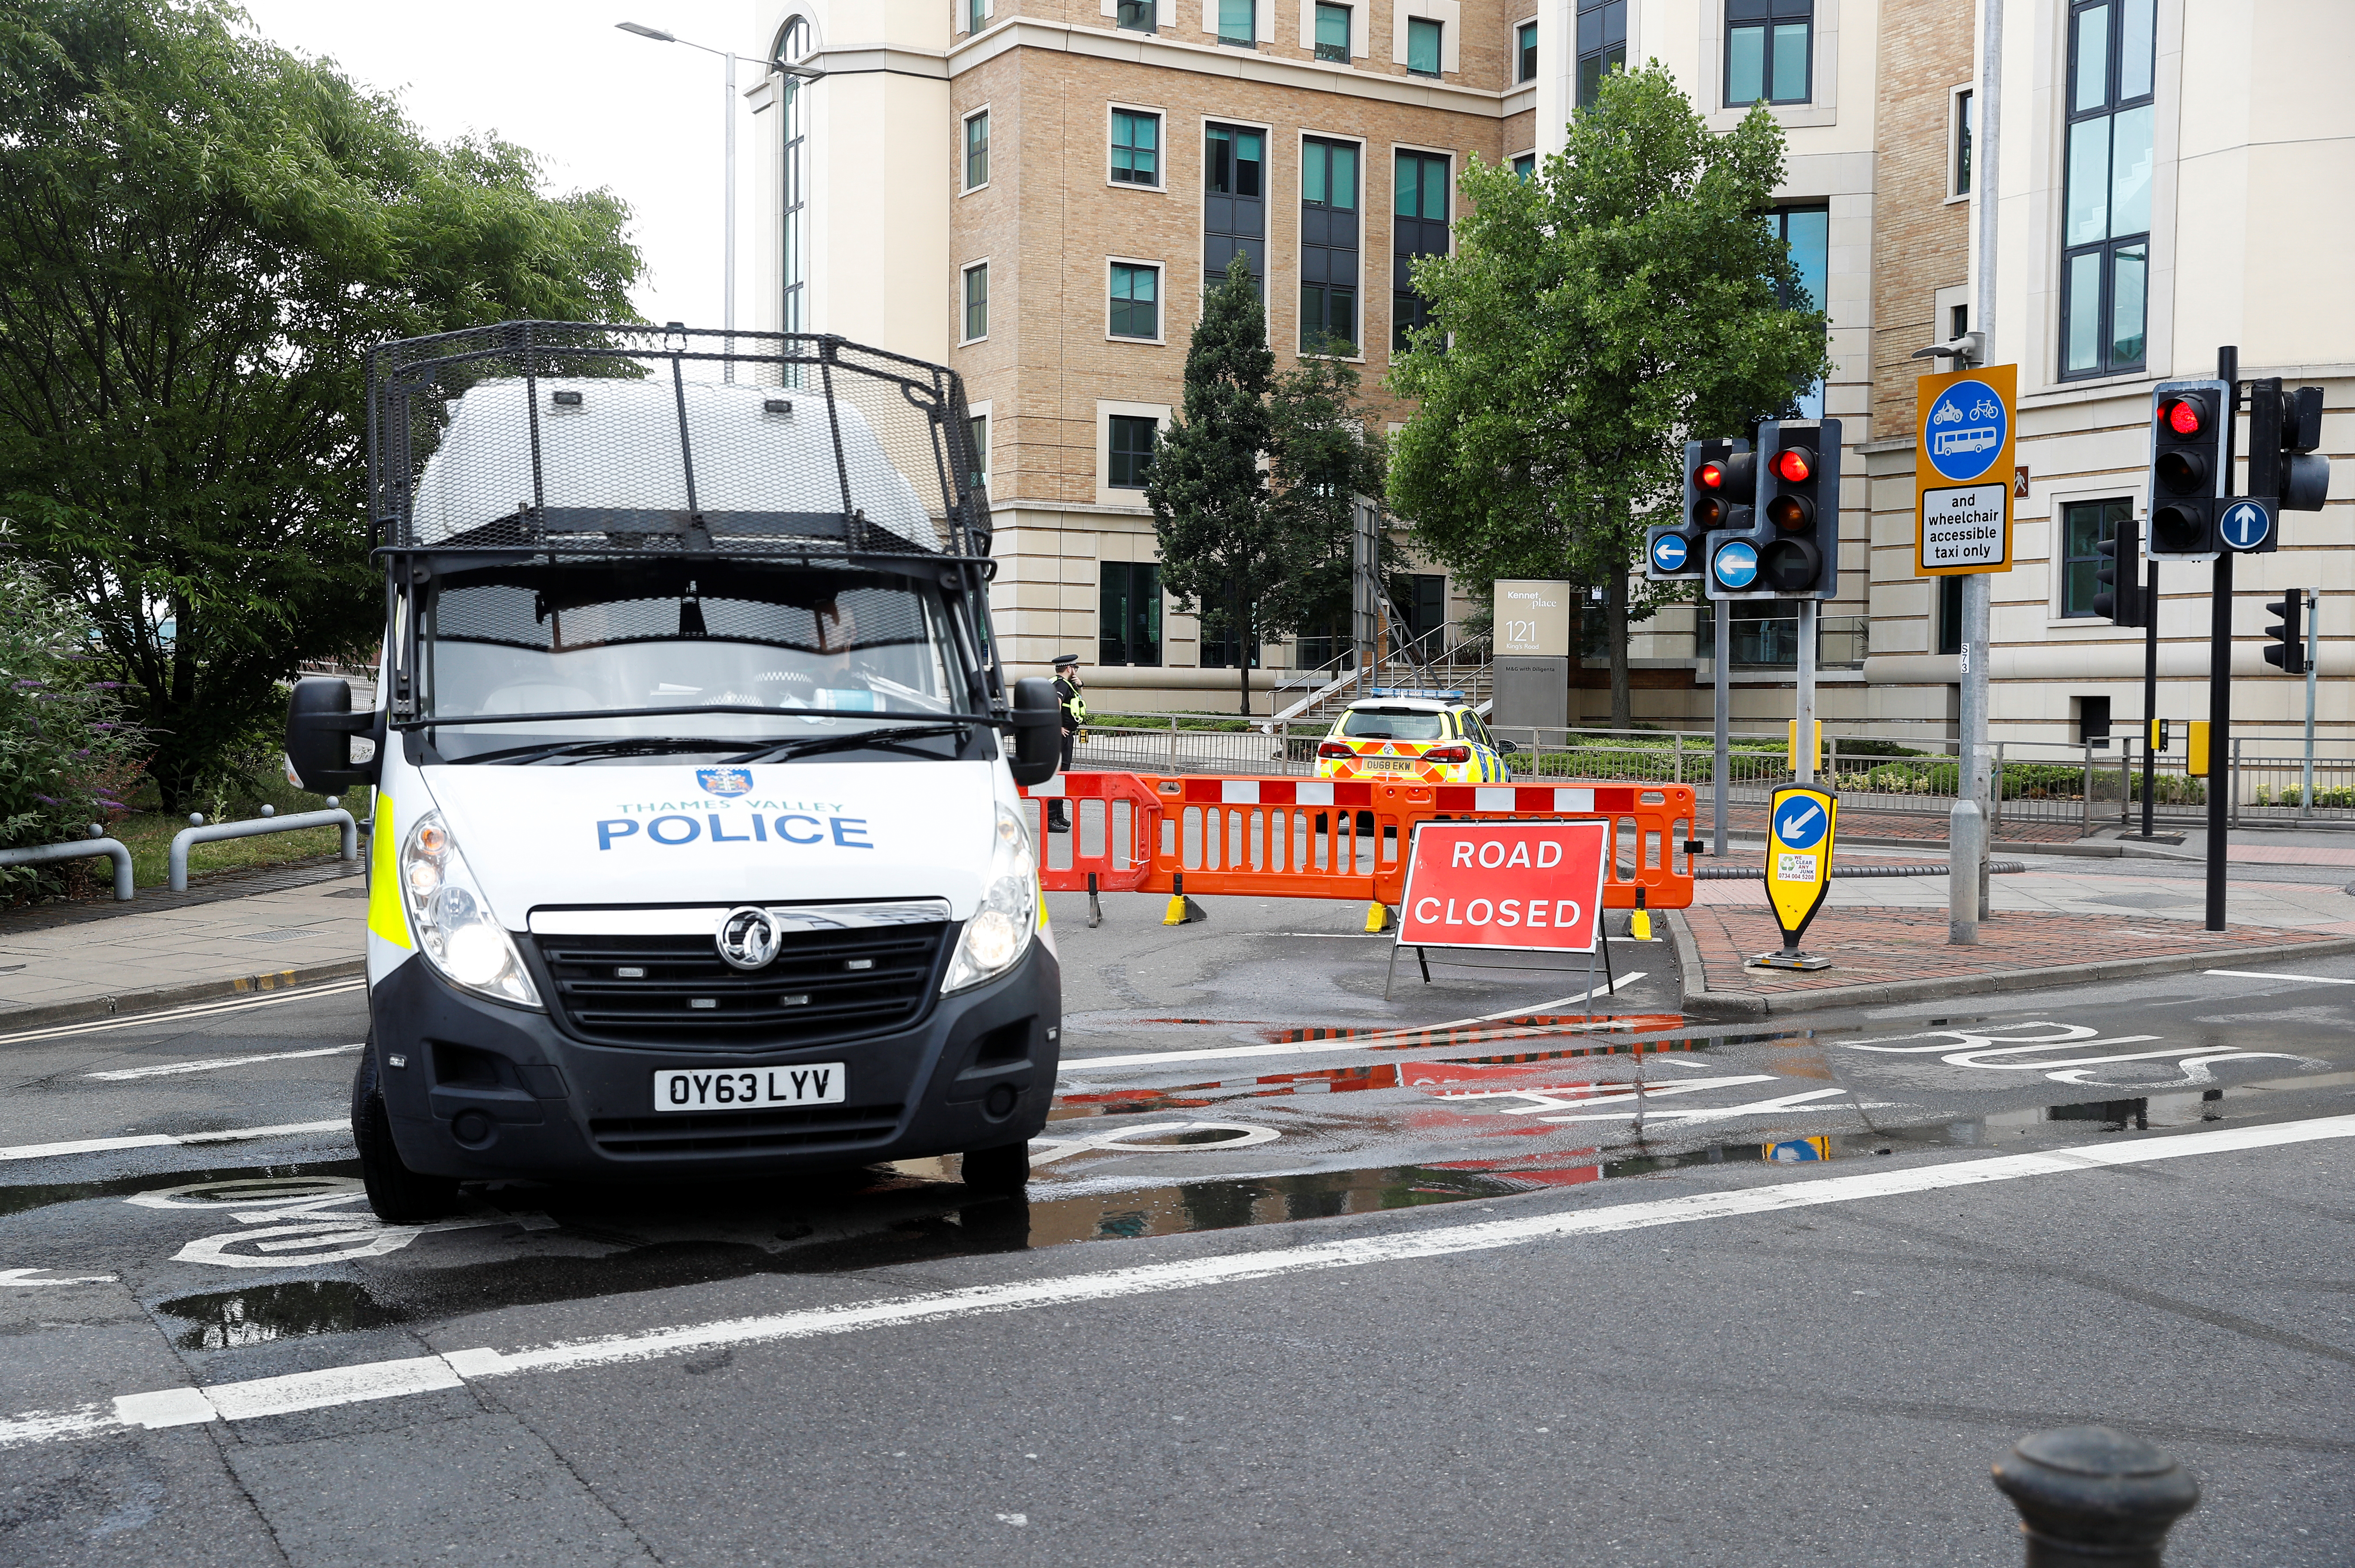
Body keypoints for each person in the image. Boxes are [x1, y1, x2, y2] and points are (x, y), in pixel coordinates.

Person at [1048, 653, 1084, 832]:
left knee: (1062, 775)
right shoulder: (1061, 684)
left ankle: (1059, 815)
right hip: (1061, 737)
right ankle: (1051, 818)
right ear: (1070, 669)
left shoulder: (1061, 683)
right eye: (1075, 668)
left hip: (1064, 736)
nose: (1076, 671)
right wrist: (1058, 727)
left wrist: (1080, 686)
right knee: (1059, 775)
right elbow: (1056, 704)